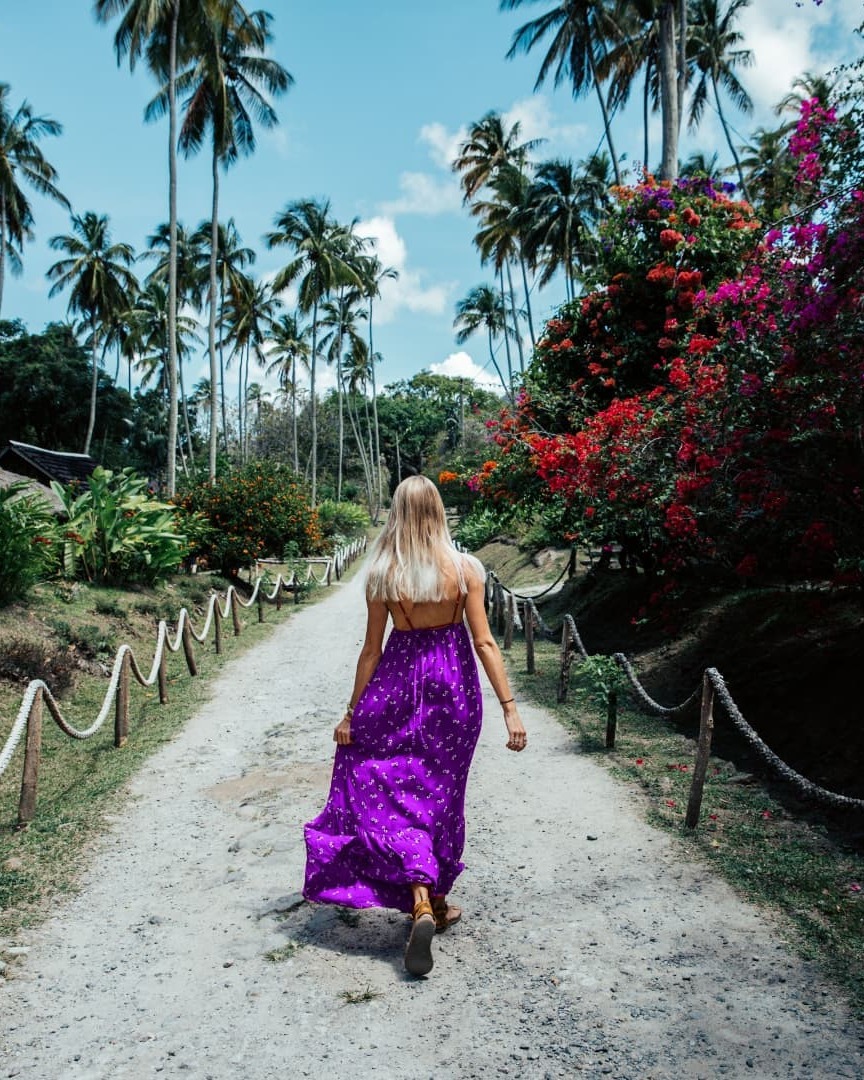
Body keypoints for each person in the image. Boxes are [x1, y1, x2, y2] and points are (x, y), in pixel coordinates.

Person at [303, 475, 527, 977]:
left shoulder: (384, 573)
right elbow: (486, 643)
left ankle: (421, 899)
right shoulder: (466, 569)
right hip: (454, 691)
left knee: (384, 786)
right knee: (441, 796)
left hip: (396, 687)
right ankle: (434, 901)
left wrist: (351, 713)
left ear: (398, 514)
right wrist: (510, 708)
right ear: (440, 511)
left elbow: (370, 650)